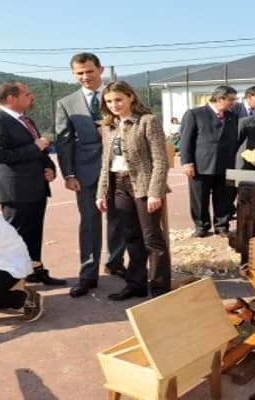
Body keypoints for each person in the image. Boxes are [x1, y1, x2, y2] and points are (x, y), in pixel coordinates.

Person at [0, 81, 65, 287]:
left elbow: (41, 150)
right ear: (11, 98)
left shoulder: (26, 120)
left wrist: (49, 167)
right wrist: (33, 147)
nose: (31, 97)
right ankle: (10, 280)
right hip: (15, 191)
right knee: (16, 236)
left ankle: (35, 270)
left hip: (36, 188)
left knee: (34, 232)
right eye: (27, 94)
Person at [55, 53, 127, 297]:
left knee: (119, 219)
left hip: (119, 168)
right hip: (85, 173)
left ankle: (115, 263)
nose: (85, 77)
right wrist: (69, 174)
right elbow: (63, 141)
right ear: (74, 74)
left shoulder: (118, 96)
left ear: (101, 69)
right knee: (89, 223)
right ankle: (88, 274)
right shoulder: (66, 103)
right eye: (79, 73)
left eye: (89, 71)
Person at [96, 81, 170, 300]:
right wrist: (101, 192)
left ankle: (159, 289)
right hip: (119, 186)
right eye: (109, 101)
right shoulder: (108, 126)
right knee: (131, 237)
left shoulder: (147, 121)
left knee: (152, 239)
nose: (114, 105)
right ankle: (136, 284)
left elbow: (160, 160)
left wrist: (155, 192)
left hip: (144, 186)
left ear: (131, 97)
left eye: (118, 99)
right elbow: (105, 163)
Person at [180, 85, 239, 237]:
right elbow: (186, 140)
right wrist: (187, 162)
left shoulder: (233, 117)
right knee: (199, 198)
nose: (234, 102)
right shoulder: (195, 114)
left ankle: (221, 226)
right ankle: (201, 226)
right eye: (231, 99)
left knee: (224, 197)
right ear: (220, 99)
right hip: (200, 165)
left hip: (225, 164)